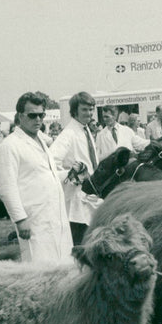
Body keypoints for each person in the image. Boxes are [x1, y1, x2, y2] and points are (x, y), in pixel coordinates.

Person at [0, 92, 72, 264]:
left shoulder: (42, 141)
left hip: (55, 214)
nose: (38, 119)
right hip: (33, 219)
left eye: (41, 115)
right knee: (39, 267)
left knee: (62, 264)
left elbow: (46, 175)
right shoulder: (9, 146)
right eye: (32, 115)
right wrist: (20, 219)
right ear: (20, 116)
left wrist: (69, 174)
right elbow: (6, 187)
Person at [48, 91, 102, 246]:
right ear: (74, 111)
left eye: (91, 109)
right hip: (77, 199)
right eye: (84, 109)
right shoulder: (69, 133)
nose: (89, 113)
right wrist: (70, 175)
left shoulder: (85, 130)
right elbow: (51, 160)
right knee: (79, 243)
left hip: (91, 194)